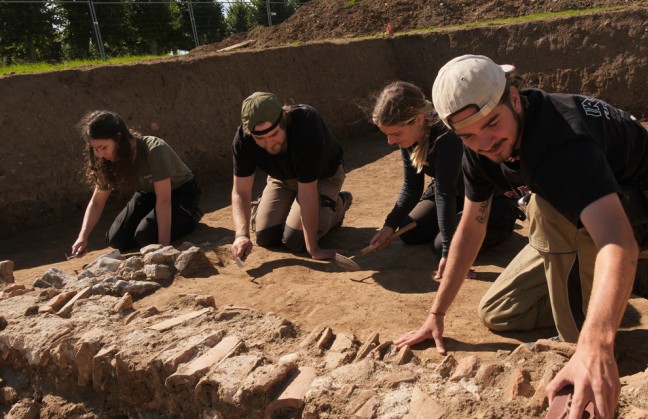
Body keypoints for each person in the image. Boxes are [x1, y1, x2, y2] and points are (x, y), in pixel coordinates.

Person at [394, 55, 648, 419]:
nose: (485, 142)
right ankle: (630, 282)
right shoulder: (479, 149)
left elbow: (616, 239)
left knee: (545, 206)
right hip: (586, 223)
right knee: (499, 313)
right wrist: (436, 315)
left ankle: (589, 333)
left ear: (515, 99)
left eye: (492, 123)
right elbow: (471, 226)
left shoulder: (561, 139)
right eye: (468, 135)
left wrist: (594, 345)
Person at [369, 81, 523, 279]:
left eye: (395, 134)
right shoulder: (408, 137)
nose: (390, 141)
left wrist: (450, 252)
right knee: (408, 231)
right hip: (455, 194)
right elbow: (411, 187)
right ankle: (454, 222)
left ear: (418, 120)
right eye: (388, 135)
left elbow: (445, 192)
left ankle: (493, 226)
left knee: (442, 245)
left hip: (487, 199)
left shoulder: (447, 136)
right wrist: (389, 225)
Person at [231, 92, 352, 262]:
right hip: (282, 178)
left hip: (321, 178)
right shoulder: (243, 139)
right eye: (260, 138)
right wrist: (241, 235)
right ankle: (286, 209)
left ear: (284, 120)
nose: (269, 143)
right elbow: (240, 191)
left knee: (295, 240)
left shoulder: (307, 123)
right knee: (266, 236)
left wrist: (313, 249)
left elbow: (308, 192)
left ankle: (338, 203)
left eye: (274, 135)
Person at [71, 110, 203, 256]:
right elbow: (97, 202)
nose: (101, 154)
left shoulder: (154, 149)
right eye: (96, 149)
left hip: (180, 192)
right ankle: (156, 225)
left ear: (119, 138)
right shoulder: (106, 159)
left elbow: (164, 200)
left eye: (103, 147)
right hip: (148, 193)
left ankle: (190, 217)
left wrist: (163, 248)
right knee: (116, 240)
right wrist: (82, 237)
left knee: (146, 237)